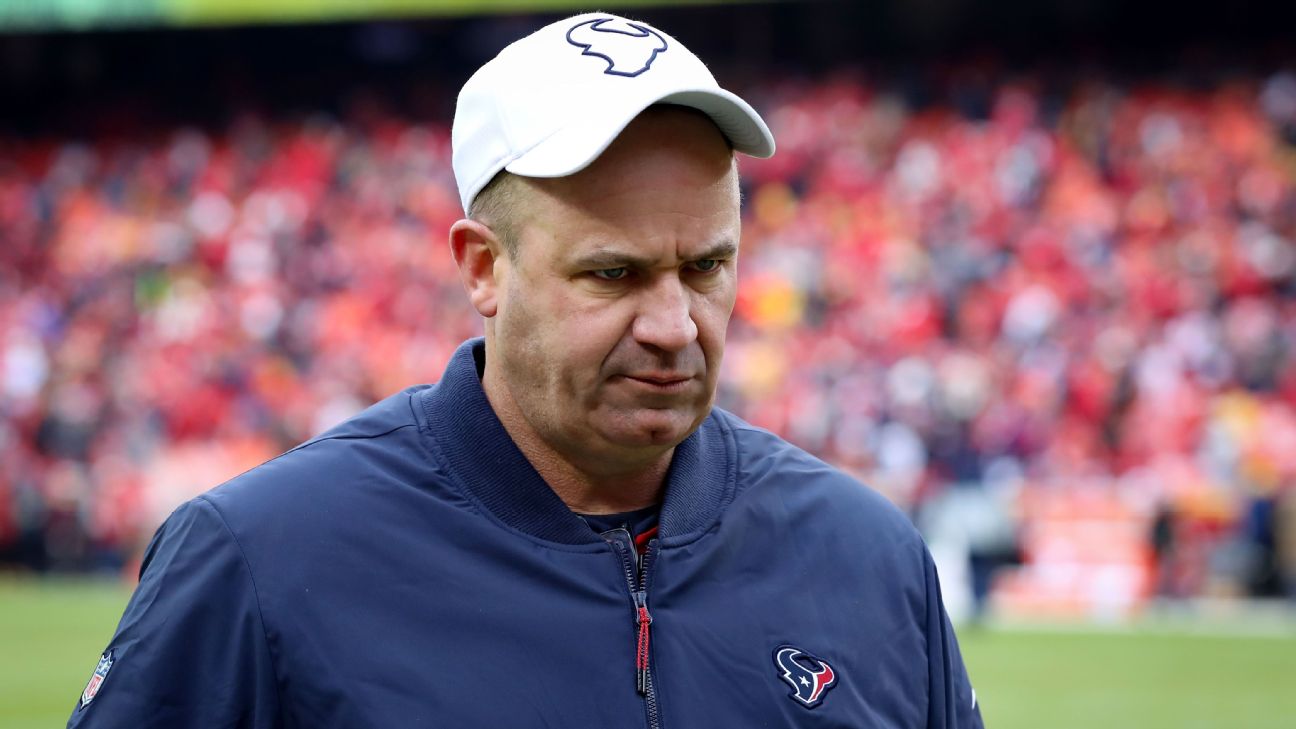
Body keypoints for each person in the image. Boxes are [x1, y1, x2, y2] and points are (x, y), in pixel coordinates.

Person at [68, 13, 982, 728]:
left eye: (706, 266)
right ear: (482, 268)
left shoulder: (869, 557)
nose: (675, 326)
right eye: (613, 273)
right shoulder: (259, 561)